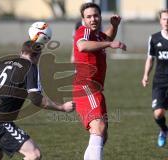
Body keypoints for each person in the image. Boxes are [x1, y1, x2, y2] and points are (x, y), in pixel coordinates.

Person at [72, 2, 126, 160]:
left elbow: (107, 37)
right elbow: (82, 46)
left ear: (100, 17)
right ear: (83, 19)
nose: (93, 19)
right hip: (85, 86)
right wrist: (109, 44)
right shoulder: (84, 31)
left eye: (95, 15)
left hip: (96, 89)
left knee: (102, 134)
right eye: (88, 16)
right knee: (99, 127)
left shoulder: (97, 35)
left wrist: (114, 27)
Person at [142, 9, 168, 147]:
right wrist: (146, 75)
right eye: (164, 19)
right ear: (160, 21)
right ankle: (164, 130)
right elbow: (150, 58)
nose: (167, 22)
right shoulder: (154, 38)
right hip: (160, 82)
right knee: (158, 114)